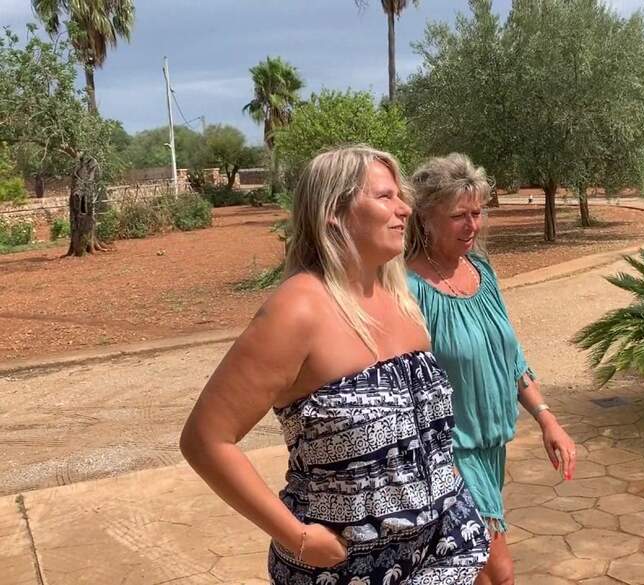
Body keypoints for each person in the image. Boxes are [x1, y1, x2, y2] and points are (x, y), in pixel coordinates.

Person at [180, 145, 489, 585]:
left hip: (444, 552)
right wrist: (297, 537)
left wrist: (459, 506)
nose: (405, 208)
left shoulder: (400, 299)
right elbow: (206, 440)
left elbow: (428, 435)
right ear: (333, 213)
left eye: (401, 196)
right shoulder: (298, 310)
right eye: (385, 197)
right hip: (349, 569)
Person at [405, 154, 576, 585]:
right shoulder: (407, 288)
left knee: (468, 571)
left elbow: (510, 356)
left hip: (490, 446)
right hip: (448, 452)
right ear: (425, 217)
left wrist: (547, 418)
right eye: (458, 216)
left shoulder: (481, 270)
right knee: (498, 572)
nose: (472, 225)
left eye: (477, 213)